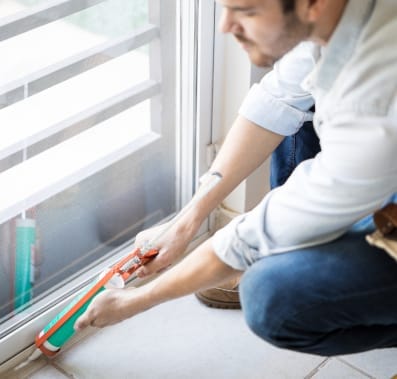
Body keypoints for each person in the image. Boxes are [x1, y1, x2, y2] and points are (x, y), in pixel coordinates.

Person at [75, 0, 397, 356]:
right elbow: (275, 100)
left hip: (379, 152)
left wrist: (133, 301)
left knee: (270, 296)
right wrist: (186, 223)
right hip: (374, 158)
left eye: (246, 10)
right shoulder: (344, 17)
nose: (224, 26)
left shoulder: (374, 103)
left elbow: (243, 242)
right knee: (303, 105)